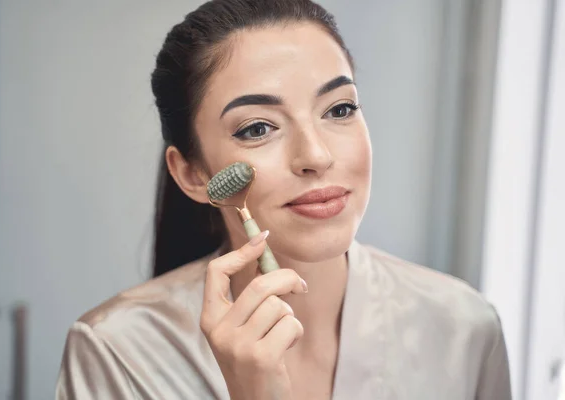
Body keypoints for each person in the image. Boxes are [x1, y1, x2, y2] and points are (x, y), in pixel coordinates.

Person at [55, 0, 511, 398]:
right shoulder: (117, 352)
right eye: (257, 128)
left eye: (340, 109)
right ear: (192, 174)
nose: (316, 155)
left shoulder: (463, 330)